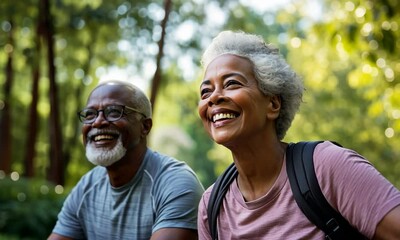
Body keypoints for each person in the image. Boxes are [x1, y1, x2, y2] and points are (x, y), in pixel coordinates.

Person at [196, 30, 400, 239]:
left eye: (232, 83)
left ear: (273, 104)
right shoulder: (211, 206)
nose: (214, 98)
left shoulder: (327, 166)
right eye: (205, 91)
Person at [48, 80, 204, 240]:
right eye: (90, 114)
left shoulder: (175, 184)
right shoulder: (87, 186)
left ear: (145, 127)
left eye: (114, 112)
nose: (98, 122)